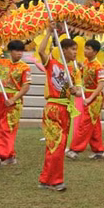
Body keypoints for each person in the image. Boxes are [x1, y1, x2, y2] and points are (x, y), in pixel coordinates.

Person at [37, 31, 80, 191]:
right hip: (53, 108)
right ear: (64, 50)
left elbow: (80, 91)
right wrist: (49, 32)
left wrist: (76, 91)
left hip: (66, 110)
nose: (75, 53)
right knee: (57, 144)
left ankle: (45, 180)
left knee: (57, 146)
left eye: (76, 50)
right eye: (73, 49)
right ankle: (55, 181)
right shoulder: (52, 64)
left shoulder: (75, 70)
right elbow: (41, 51)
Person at [0, 40, 33, 168]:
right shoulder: (0, 63)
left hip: (14, 100)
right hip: (0, 98)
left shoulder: (25, 67)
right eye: (17, 50)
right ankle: (10, 156)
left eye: (21, 51)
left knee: (7, 128)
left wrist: (14, 99)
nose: (19, 53)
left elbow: (26, 86)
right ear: (10, 51)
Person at [68, 39, 104, 160]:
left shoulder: (98, 66)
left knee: (85, 123)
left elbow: (101, 85)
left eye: (88, 49)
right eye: (85, 48)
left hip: (95, 98)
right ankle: (99, 150)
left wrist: (90, 98)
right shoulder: (86, 62)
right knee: (94, 124)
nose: (85, 51)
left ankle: (75, 149)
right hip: (87, 95)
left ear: (95, 52)